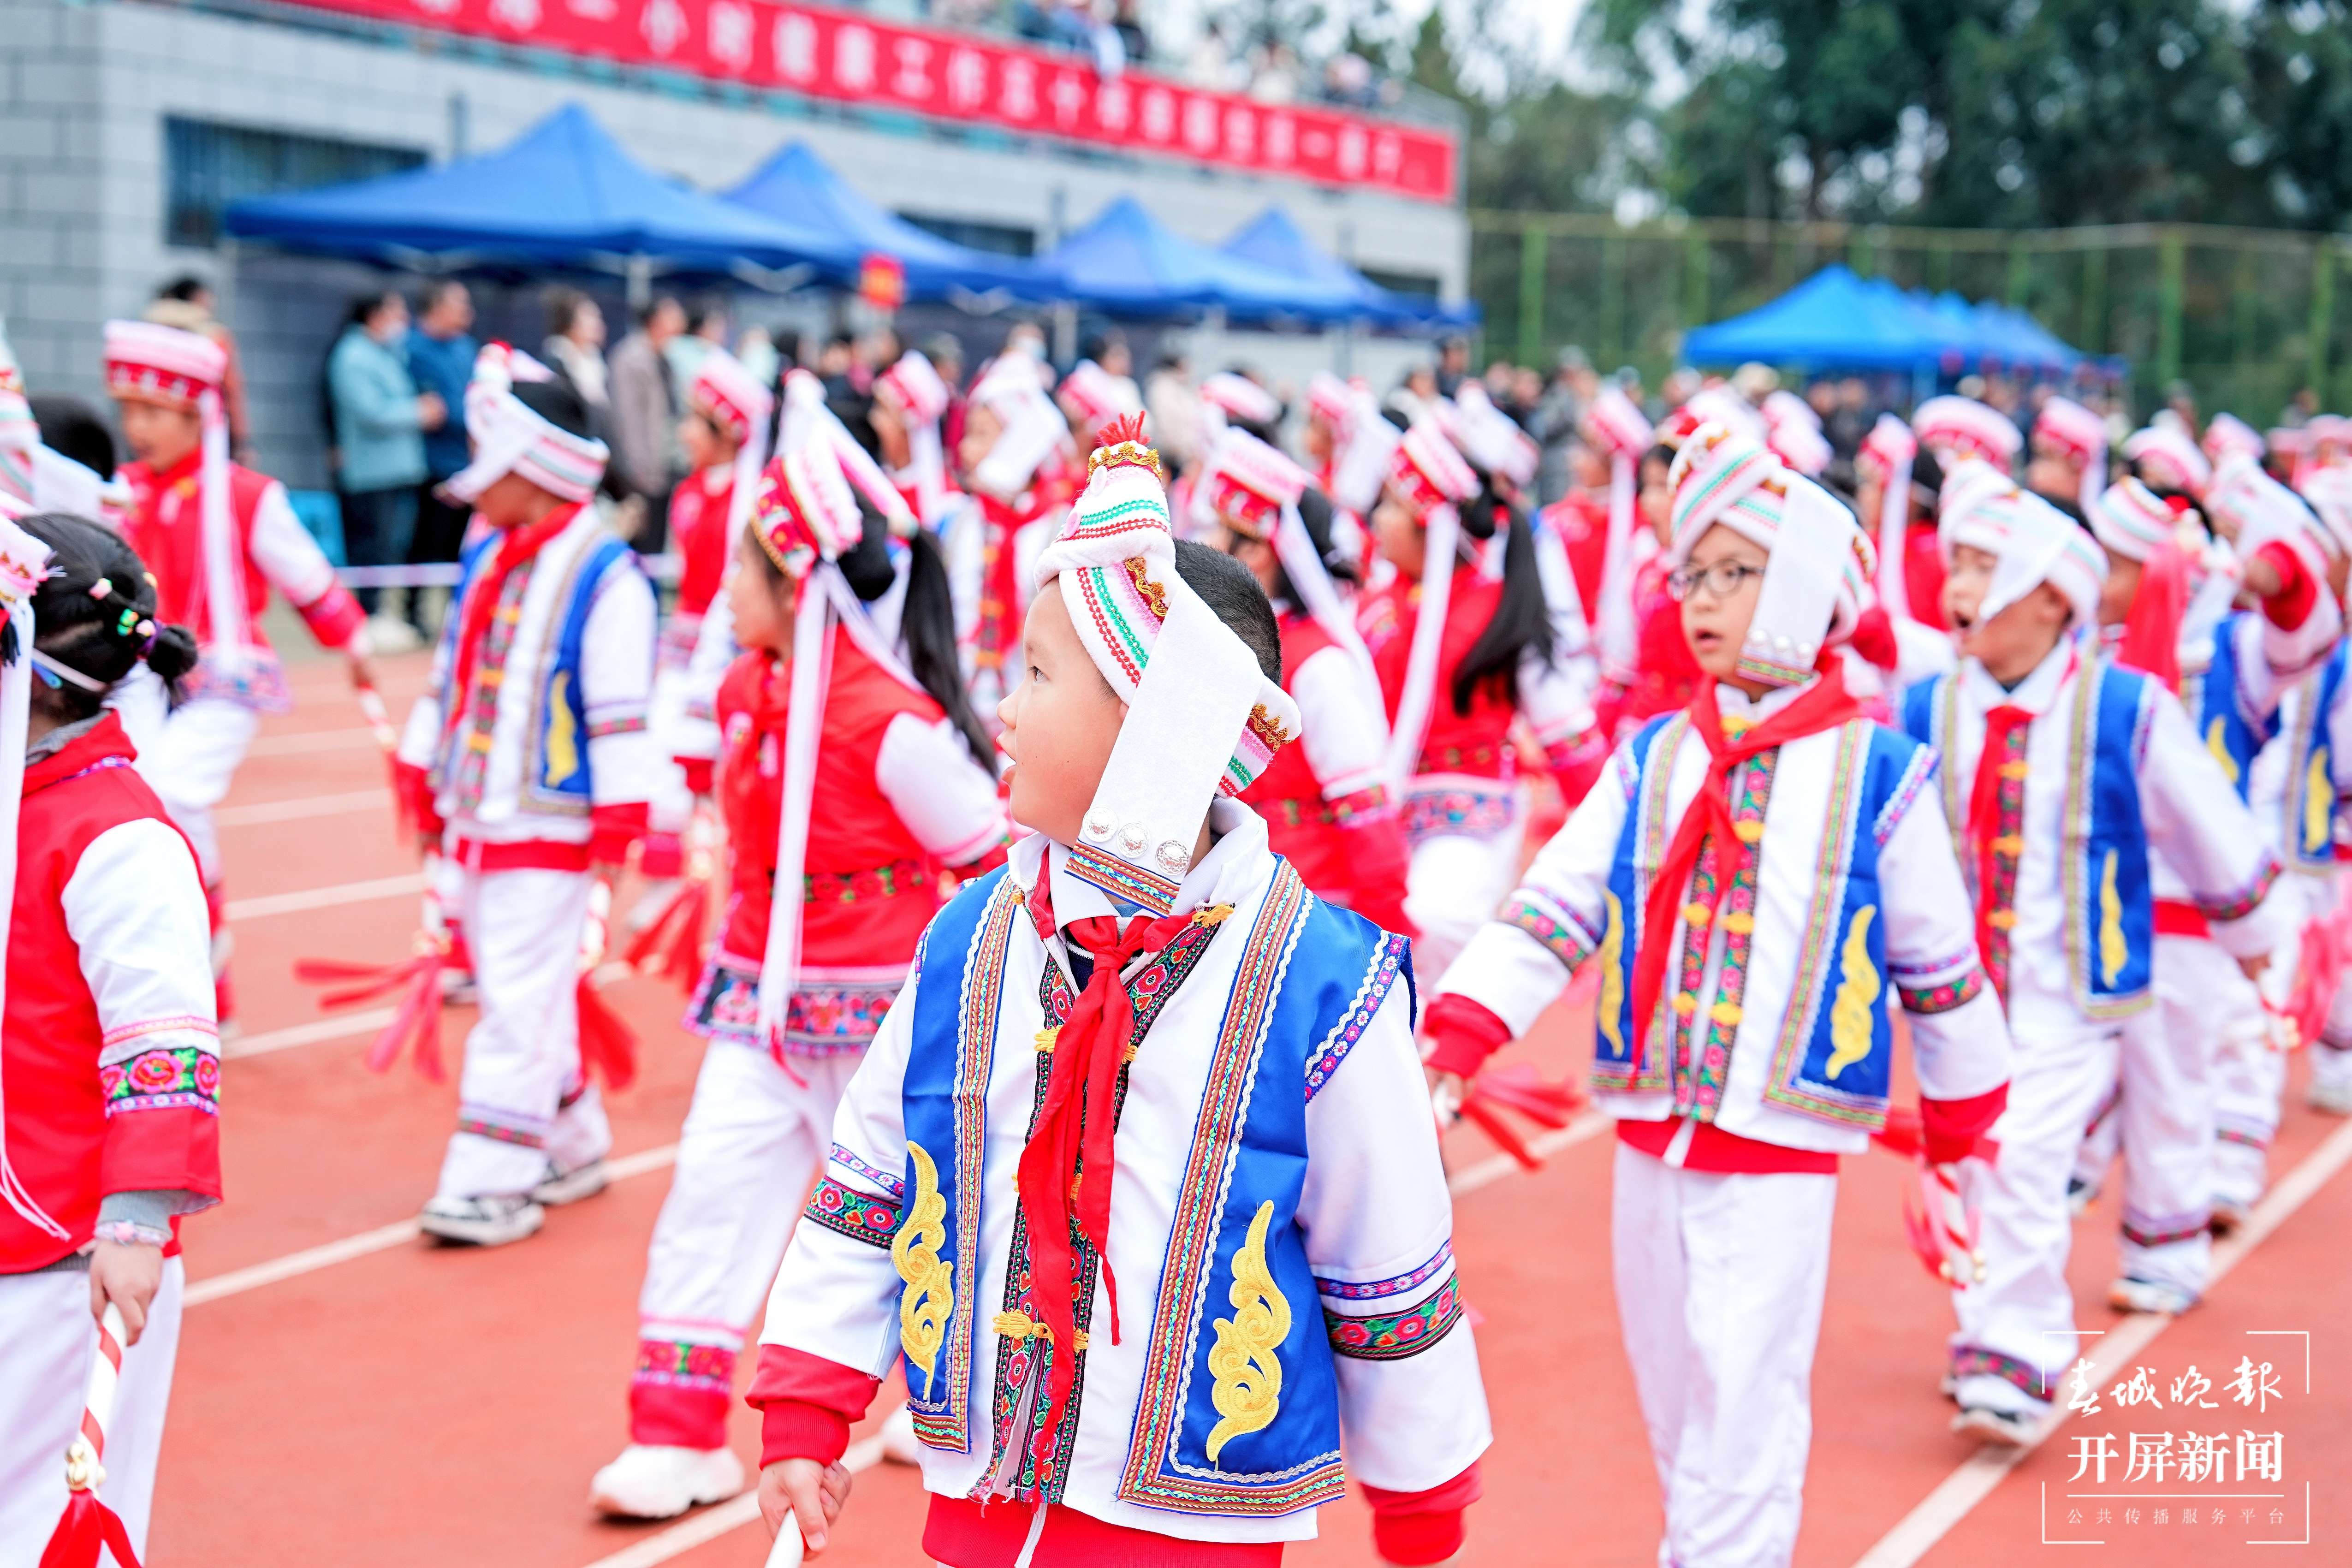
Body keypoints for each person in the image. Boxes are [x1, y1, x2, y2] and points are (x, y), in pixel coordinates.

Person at [747, 412, 1489, 1567]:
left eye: (1037, 676)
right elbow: (872, 1171)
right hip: (987, 1489)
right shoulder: (970, 943)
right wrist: (808, 1398)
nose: (998, 709)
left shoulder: (1318, 981)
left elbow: (1384, 1237)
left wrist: (1419, 1487)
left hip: (1193, 1517)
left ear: (1158, 730)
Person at [1421, 420, 2013, 1568]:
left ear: (1812, 589)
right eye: (1691, 571)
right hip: (1652, 1128)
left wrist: (1958, 1129)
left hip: (1778, 1141)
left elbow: (1940, 971)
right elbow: (1556, 905)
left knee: (1744, 1395)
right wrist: (1459, 1033)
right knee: (1672, 1392)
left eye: (1737, 571)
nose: (1701, 595)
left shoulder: (1876, 770)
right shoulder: (1652, 755)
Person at [590, 399, 1010, 1521]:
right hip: (757, 1004)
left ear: (801, 586)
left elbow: (994, 861)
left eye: (745, 564)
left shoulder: (894, 723)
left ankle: (953, 1410)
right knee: (710, 1192)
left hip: (878, 1019)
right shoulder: (745, 693)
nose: (725, 584)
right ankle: (674, 1433)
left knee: (916, 1214)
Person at [1914, 470, 2284, 1443]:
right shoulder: (1925, 708)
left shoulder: (2126, 706)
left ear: (2048, 592)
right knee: (1976, 1163)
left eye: (1983, 564)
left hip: (2071, 994)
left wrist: (2253, 936)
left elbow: (2209, 825)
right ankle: (1993, 1331)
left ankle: (2017, 1353)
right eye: (1955, 558)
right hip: (1960, 1003)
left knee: (2026, 1157)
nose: (1958, 581)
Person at [392, 346, 658, 1247]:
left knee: (514, 999)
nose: (476, 490)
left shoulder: (602, 570)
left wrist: (623, 821)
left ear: (538, 473)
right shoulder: (491, 557)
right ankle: (573, 1139)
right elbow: (452, 674)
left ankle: (491, 1178)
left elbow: (619, 705)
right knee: (526, 990)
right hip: (479, 815)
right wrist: (424, 769)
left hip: (551, 824)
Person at [0, 511, 216, 1566]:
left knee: (43, 1521)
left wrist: (135, 1223)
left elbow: (162, 1041)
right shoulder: (21, 805)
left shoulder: (118, 834)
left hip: (68, 1246)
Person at [106, 320, 373, 1031]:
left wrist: (353, 644)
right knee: (130, 796)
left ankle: (204, 932)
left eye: (153, 412)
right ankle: (204, 971)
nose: (137, 427)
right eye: (129, 410)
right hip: (138, 674)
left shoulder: (248, 495)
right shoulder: (121, 491)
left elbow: (306, 575)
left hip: (224, 676)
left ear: (199, 413)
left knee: (172, 790)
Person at [1356, 417, 1586, 979]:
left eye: (1389, 506)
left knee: (1433, 921)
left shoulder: (1497, 609)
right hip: (1380, 813)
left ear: (1427, 524)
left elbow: (1566, 731)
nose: (1376, 520)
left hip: (1471, 816)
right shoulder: (1375, 603)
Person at [1194, 426, 1414, 934]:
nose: (1201, 541)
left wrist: (1379, 936)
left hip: (1310, 911)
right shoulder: (1219, 645)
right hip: (1230, 899)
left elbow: (1366, 808)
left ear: (1256, 553)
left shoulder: (1317, 664)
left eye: (1216, 528)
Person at [638, 348, 772, 897]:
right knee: (666, 761)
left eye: (698, 421)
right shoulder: (691, 490)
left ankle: (702, 888)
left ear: (728, 433)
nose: (685, 431)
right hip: (683, 636)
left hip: (725, 646)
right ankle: (670, 890)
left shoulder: (750, 497)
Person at [957, 350, 1077, 719]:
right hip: (959, 708)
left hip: (1026, 717)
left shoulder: (1060, 529)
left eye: (980, 436)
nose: (964, 449)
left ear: (1021, 441)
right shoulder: (959, 519)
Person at [329, 289, 445, 641]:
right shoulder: (352, 356)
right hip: (370, 472)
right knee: (370, 547)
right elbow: (371, 411)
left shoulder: (386, 353)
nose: (403, 322)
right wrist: (419, 412)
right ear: (375, 315)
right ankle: (368, 619)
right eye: (396, 313)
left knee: (390, 545)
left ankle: (382, 616)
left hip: (398, 469)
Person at [404, 279, 480, 641]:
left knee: (460, 545)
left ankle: (458, 614)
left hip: (466, 464)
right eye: (459, 304)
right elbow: (426, 406)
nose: (467, 313)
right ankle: (411, 612)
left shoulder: (466, 348)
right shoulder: (413, 347)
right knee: (424, 542)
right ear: (436, 307)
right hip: (429, 464)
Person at [143, 275, 249, 462]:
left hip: (152, 433)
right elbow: (232, 391)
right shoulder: (215, 338)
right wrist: (241, 442)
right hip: (204, 432)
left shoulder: (147, 334)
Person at [609, 297, 688, 549]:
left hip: (663, 471)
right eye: (673, 315)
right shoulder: (631, 358)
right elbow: (627, 420)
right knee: (639, 545)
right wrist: (639, 472)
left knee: (656, 546)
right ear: (656, 320)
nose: (680, 322)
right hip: (640, 476)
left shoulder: (665, 358)